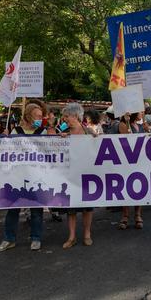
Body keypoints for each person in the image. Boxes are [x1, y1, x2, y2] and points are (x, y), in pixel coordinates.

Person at [0, 103, 47, 252]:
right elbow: (7, 151)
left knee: (36, 210)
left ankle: (36, 238)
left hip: (36, 177)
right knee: (13, 210)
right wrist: (4, 139)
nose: (40, 119)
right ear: (29, 116)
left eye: (41, 116)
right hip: (17, 177)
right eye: (37, 116)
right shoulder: (16, 131)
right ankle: (8, 239)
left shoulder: (42, 132)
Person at [59, 103, 95, 249]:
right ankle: (72, 236)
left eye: (67, 116)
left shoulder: (89, 132)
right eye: (64, 116)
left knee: (87, 207)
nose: (65, 119)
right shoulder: (63, 132)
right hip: (70, 175)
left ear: (76, 116)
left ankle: (87, 234)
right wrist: (59, 140)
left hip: (87, 175)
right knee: (71, 208)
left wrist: (97, 139)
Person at [117, 111, 145, 230]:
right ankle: (125, 216)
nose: (142, 113)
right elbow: (128, 138)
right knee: (126, 187)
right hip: (126, 161)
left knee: (139, 187)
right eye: (140, 111)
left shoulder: (140, 126)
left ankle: (138, 215)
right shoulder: (122, 124)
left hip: (139, 161)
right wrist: (127, 122)